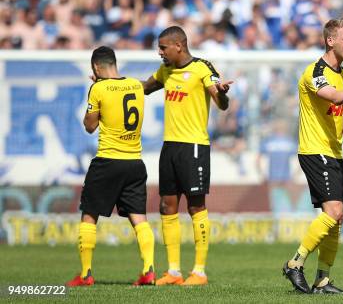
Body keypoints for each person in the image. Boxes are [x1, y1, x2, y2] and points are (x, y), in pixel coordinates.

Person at [281, 18, 343, 294]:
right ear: (330, 40)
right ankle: (295, 263)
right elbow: (333, 97)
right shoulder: (315, 72)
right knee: (334, 212)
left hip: (333, 152)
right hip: (314, 150)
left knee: (337, 218)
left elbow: (341, 114)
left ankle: (322, 280)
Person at [141, 26, 232, 286]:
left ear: (179, 45)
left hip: (193, 146)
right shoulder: (166, 70)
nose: (160, 52)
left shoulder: (203, 68)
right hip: (169, 146)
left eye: (163, 47)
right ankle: (173, 272)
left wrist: (223, 94)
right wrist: (115, 84)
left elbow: (221, 103)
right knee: (166, 206)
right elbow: (145, 88)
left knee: (195, 206)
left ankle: (199, 272)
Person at [67, 46, 155, 287]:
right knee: (140, 218)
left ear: (96, 67)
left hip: (107, 161)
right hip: (135, 163)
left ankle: (85, 275)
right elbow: (133, 86)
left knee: (89, 216)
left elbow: (90, 125)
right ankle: (149, 270)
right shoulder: (136, 86)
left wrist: (95, 90)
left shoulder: (98, 88)